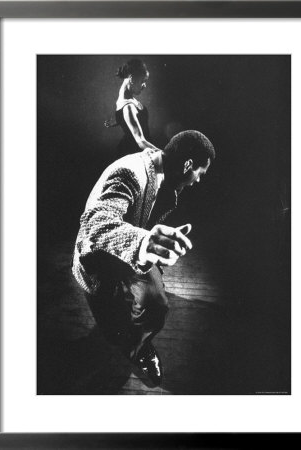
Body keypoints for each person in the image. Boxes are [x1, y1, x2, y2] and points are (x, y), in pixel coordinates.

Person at [72, 130, 215, 386]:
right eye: (199, 174)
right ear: (188, 165)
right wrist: (144, 241)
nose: (197, 182)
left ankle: (139, 349)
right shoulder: (130, 172)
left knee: (155, 305)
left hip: (133, 252)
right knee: (111, 328)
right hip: (100, 257)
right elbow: (96, 224)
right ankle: (121, 341)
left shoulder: (165, 166)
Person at [104, 59, 160, 157]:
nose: (144, 85)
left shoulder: (127, 101)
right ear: (131, 78)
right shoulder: (128, 107)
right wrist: (164, 154)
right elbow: (141, 141)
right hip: (137, 152)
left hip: (144, 148)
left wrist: (119, 120)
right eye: (143, 81)